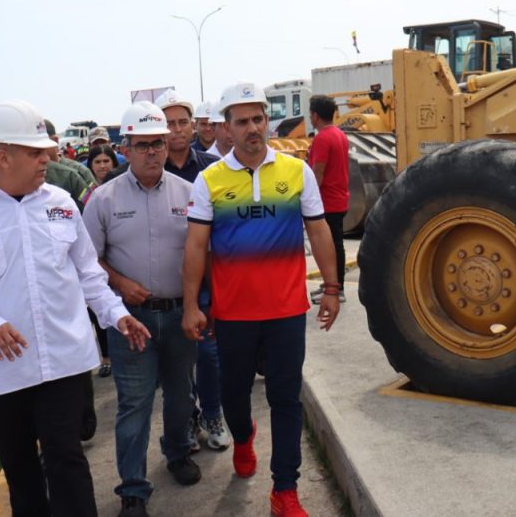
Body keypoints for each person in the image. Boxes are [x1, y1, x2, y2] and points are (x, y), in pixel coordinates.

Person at [0, 99, 151, 517]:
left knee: (67, 460)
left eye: (45, 150)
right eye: (35, 152)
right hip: (4, 369)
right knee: (20, 469)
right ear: (3, 155)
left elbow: (88, 274)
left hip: (65, 361)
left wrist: (116, 315)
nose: (47, 158)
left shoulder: (61, 202)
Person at [181, 81, 341, 517]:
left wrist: (331, 287)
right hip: (233, 315)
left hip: (287, 311)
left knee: (286, 398)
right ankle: (244, 435)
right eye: (242, 121)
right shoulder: (209, 179)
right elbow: (196, 246)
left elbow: (319, 229)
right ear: (226, 128)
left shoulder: (296, 171)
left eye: (258, 118)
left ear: (267, 121)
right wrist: (193, 305)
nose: (252, 128)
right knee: (234, 395)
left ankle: (284, 490)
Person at [83, 101, 200, 517]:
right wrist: (120, 282)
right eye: (142, 144)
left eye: (158, 144)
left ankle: (178, 451)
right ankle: (133, 487)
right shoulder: (103, 199)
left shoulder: (189, 194)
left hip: (179, 313)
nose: (152, 152)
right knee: (134, 403)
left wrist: (197, 307)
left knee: (181, 393)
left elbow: (201, 253)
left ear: (168, 146)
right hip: (131, 321)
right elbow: (87, 259)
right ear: (126, 149)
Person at [151, 90, 227, 453]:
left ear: (194, 124)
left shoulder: (210, 169)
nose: (177, 130)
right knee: (177, 369)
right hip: (166, 286)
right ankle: (188, 420)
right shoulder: (150, 169)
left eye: (183, 122)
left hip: (207, 282)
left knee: (210, 356)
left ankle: (213, 414)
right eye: (169, 123)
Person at [307, 95, 350, 304]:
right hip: (339, 198)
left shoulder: (323, 138)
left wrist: (307, 198)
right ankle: (331, 284)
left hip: (327, 202)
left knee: (330, 246)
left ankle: (336, 288)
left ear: (315, 116)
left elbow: (318, 172)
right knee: (335, 244)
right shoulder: (340, 135)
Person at [86, 143, 120, 377]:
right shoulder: (87, 192)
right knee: (101, 311)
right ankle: (107, 356)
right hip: (96, 259)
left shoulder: (124, 188)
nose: (102, 166)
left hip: (120, 261)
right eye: (97, 162)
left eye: (106, 161)